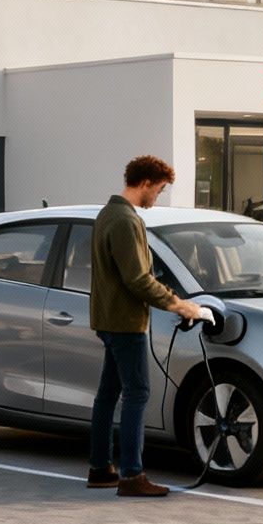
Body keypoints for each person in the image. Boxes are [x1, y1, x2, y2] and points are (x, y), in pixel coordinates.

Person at [89, 155, 208, 497]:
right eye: (159, 188)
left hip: (107, 318)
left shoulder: (106, 214)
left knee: (108, 394)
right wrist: (179, 304)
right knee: (137, 393)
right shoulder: (126, 221)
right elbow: (138, 279)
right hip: (125, 322)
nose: (159, 195)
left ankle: (100, 468)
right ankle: (131, 474)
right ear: (144, 183)